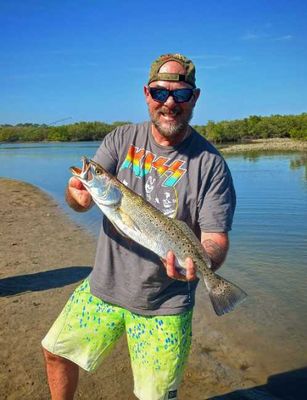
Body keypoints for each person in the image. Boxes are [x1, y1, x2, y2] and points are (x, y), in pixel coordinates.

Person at [42, 53, 236, 400]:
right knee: (55, 352)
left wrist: (201, 264)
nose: (169, 103)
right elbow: (82, 198)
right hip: (104, 286)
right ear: (147, 94)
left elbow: (215, 239)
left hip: (165, 301)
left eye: (181, 94)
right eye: (160, 93)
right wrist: (78, 195)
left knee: (155, 396)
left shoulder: (212, 165)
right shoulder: (121, 139)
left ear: (195, 97)